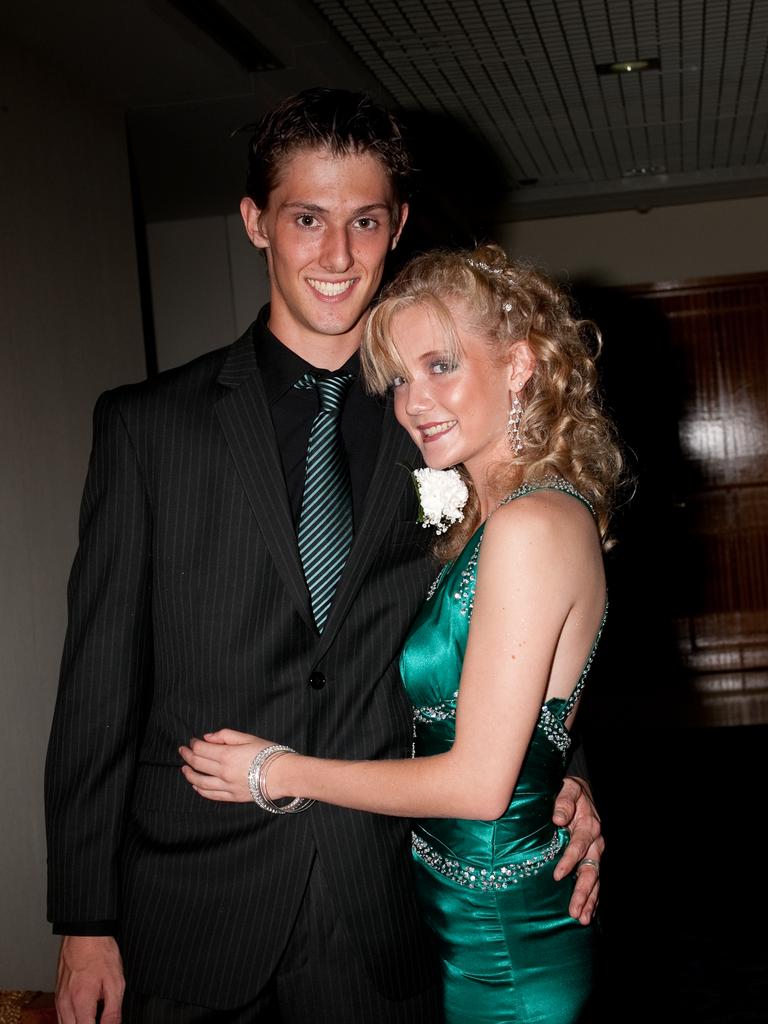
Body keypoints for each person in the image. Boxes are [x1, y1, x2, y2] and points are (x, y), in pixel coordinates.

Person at [45, 88, 604, 1024]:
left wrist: (567, 775)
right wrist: (83, 919)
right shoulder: (147, 429)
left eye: (364, 221)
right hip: (189, 911)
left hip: (380, 904)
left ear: (399, 227)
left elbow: (507, 633)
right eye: (307, 218)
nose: (337, 255)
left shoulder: (443, 430)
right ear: (257, 222)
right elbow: (97, 686)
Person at [179, 242, 624, 1023]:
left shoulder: (528, 526)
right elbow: (538, 738)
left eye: (440, 366)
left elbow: (479, 787)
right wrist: (569, 785)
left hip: (504, 948)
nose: (414, 401)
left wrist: (277, 772)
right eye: (399, 379)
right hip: (467, 919)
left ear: (518, 365)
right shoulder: (504, 518)